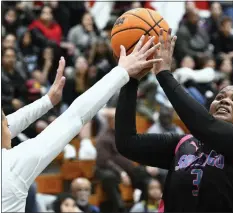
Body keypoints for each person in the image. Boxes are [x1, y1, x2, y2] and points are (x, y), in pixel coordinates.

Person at [2, 35, 162, 212]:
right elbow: (75, 116)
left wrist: (47, 101)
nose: (9, 124)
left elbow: (11, 122)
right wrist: (122, 72)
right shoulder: (12, 167)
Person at [115, 28, 233, 212]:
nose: (224, 100)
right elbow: (126, 143)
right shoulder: (183, 143)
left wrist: (164, 74)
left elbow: (205, 126)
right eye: (219, 97)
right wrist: (131, 79)